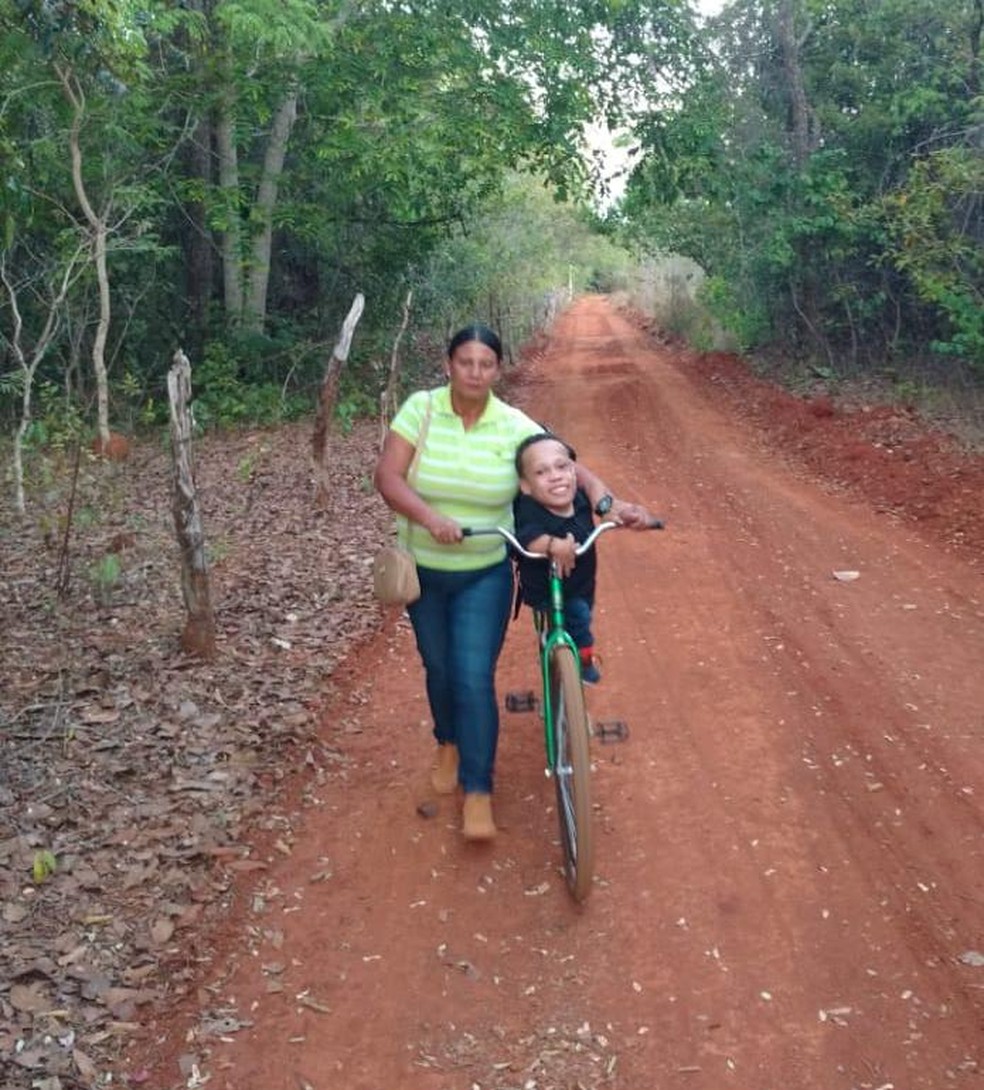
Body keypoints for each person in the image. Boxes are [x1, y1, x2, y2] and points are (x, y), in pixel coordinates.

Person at [374, 323, 650, 842]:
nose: (475, 373)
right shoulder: (422, 409)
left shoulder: (512, 424)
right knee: (439, 668)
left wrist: (608, 502)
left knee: (474, 676)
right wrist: (431, 518)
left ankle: (478, 791)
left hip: (486, 570)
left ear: (498, 370)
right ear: (448, 365)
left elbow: (571, 465)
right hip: (424, 569)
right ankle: (447, 743)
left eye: (486, 364)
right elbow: (387, 477)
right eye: (465, 363)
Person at [513, 432, 602, 684]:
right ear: (526, 486)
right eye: (541, 472)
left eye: (562, 466)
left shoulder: (581, 500)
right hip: (545, 589)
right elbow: (526, 537)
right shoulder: (529, 508)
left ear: (574, 471)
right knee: (579, 619)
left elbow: (600, 508)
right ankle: (583, 662)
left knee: (581, 614)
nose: (555, 476)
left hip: (582, 586)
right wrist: (552, 545)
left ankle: (562, 671)